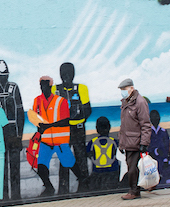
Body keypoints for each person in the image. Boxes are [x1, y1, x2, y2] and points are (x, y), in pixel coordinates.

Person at [32, 76, 76, 197]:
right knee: (40, 166)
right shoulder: (37, 100)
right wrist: (39, 129)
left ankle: (84, 182)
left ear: (51, 86)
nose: (43, 88)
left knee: (70, 163)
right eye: (41, 85)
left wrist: (49, 126)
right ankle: (49, 188)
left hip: (60, 140)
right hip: (45, 141)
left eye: (45, 85)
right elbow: (35, 118)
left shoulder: (60, 101)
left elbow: (66, 120)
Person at [0, 60, 25, 200]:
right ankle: (1, 196)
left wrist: (20, 135)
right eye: (0, 75)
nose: (2, 78)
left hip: (13, 132)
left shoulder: (14, 88)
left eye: (4, 75)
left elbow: (20, 112)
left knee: (15, 166)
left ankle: (16, 196)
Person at [54, 62, 91, 193]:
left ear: (74, 74)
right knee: (64, 159)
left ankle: (84, 186)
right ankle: (63, 189)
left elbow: (87, 109)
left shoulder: (81, 88)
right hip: (63, 130)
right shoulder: (55, 90)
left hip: (78, 129)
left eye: (69, 73)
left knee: (81, 158)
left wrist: (78, 120)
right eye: (64, 74)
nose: (66, 76)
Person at [117, 78, 151, 200]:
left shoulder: (140, 102)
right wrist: (121, 144)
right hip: (128, 141)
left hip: (136, 141)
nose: (122, 92)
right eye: (121, 90)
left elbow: (146, 124)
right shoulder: (126, 102)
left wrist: (144, 143)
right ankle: (134, 190)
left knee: (132, 169)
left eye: (124, 89)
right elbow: (124, 126)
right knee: (131, 167)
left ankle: (134, 191)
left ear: (131, 88)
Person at [148, 109, 170, 184]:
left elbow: (168, 145)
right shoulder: (149, 132)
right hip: (155, 156)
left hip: (165, 155)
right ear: (150, 119)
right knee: (160, 164)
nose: (156, 119)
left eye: (158, 117)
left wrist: (167, 154)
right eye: (154, 117)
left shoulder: (163, 131)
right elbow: (148, 147)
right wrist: (156, 151)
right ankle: (162, 180)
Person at [85, 116, 120, 191]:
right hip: (112, 173)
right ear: (109, 127)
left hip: (97, 173)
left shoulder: (92, 143)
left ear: (97, 129)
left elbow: (88, 155)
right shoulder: (115, 142)